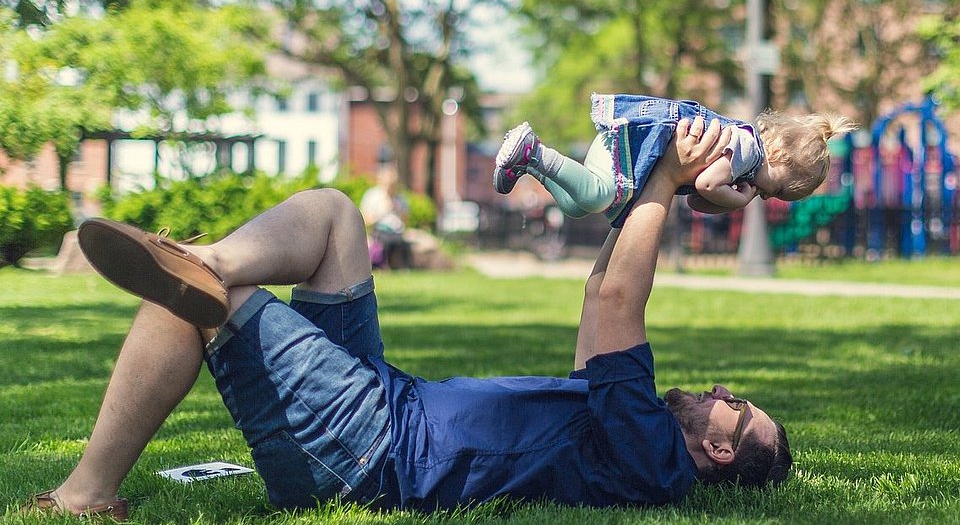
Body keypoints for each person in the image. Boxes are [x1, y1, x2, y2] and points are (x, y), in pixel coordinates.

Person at [20, 117, 791, 520]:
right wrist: (667, 187)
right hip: (387, 403)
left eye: (735, 402)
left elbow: (624, 301)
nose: (720, 389)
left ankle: (88, 494)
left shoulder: (651, 460)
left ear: (721, 448)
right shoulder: (625, 431)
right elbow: (602, 296)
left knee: (203, 306)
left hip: (368, 452)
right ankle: (210, 261)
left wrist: (665, 175)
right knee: (333, 217)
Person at [494, 93, 857, 227]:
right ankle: (534, 150)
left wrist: (727, 202)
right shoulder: (747, 148)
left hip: (627, 148)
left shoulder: (741, 163)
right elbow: (705, 184)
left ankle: (529, 165)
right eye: (774, 189)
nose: (763, 195)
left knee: (576, 206)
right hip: (633, 144)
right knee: (595, 197)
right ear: (777, 153)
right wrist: (740, 198)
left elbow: (700, 200)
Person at [360, 166, 413, 269]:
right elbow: (366, 220)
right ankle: (383, 266)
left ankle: (403, 268)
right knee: (387, 241)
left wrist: (398, 209)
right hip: (380, 231)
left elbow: (406, 221)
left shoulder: (400, 198)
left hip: (397, 232)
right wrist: (383, 211)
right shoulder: (372, 196)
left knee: (401, 242)